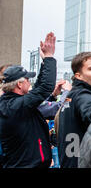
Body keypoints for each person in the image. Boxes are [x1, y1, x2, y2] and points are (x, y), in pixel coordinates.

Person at [0, 32, 56, 168]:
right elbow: (44, 88)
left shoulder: (13, 103)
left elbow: (38, 88)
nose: (29, 82)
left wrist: (44, 62)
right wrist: (49, 58)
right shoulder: (15, 107)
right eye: (27, 79)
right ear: (19, 84)